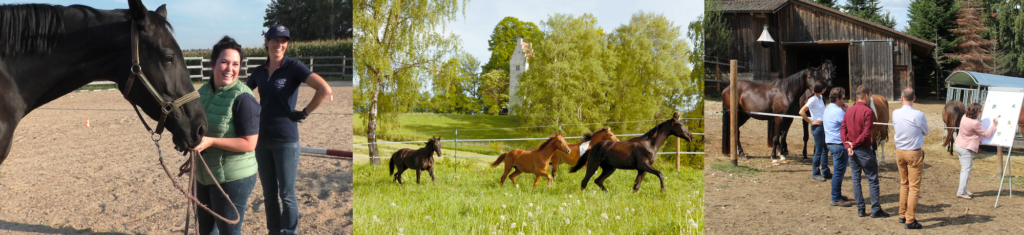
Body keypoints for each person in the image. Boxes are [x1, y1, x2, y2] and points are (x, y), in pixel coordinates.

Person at [247, 24, 333, 234]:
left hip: (286, 139)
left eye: (283, 40)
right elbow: (242, 94)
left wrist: (304, 112)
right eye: (275, 39)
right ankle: (274, 231)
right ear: (266, 42)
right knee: (269, 194)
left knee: (286, 194)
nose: (279, 44)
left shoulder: (294, 67)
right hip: (262, 139)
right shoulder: (259, 72)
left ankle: (290, 231)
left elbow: (324, 89)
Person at [191, 36, 261, 235]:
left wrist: (211, 141)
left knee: (228, 232)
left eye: (235, 64)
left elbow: (249, 144)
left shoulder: (243, 98)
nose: (230, 68)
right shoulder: (202, 92)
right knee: (205, 230)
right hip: (205, 174)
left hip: (233, 176)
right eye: (224, 62)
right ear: (213, 64)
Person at [840, 85, 889, 218]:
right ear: (866, 96)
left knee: (856, 180)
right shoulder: (868, 112)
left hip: (852, 151)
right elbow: (866, 133)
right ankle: (875, 208)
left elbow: (842, 129)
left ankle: (861, 209)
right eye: (870, 96)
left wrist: (848, 146)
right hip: (864, 150)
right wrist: (854, 144)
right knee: (872, 179)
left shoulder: (848, 111)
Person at [891, 87, 929, 229]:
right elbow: (926, 131)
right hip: (913, 152)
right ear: (914, 98)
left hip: (900, 152)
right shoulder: (918, 115)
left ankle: (902, 214)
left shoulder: (895, 113)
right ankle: (910, 219)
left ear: (902, 98)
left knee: (904, 184)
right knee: (914, 187)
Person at [955, 102, 998, 201]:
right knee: (966, 170)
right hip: (966, 148)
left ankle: (964, 189)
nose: (981, 112)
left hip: (959, 145)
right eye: (980, 111)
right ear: (976, 112)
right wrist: (994, 126)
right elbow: (986, 134)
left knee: (964, 169)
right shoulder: (975, 123)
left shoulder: (964, 117)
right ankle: (961, 192)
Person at [823, 87, 851, 207]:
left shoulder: (828, 108)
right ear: (838, 99)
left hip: (830, 143)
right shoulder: (838, 112)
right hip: (838, 145)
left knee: (838, 171)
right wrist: (847, 111)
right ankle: (835, 198)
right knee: (839, 172)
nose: (844, 100)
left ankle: (837, 193)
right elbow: (849, 123)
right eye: (843, 98)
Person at [800, 80, 830, 182]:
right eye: (825, 88)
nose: (826, 89)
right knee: (818, 151)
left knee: (825, 149)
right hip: (817, 127)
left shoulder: (820, 97)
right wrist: (811, 122)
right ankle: (815, 173)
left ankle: (825, 171)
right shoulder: (812, 99)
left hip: (823, 126)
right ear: (822, 89)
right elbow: (802, 112)